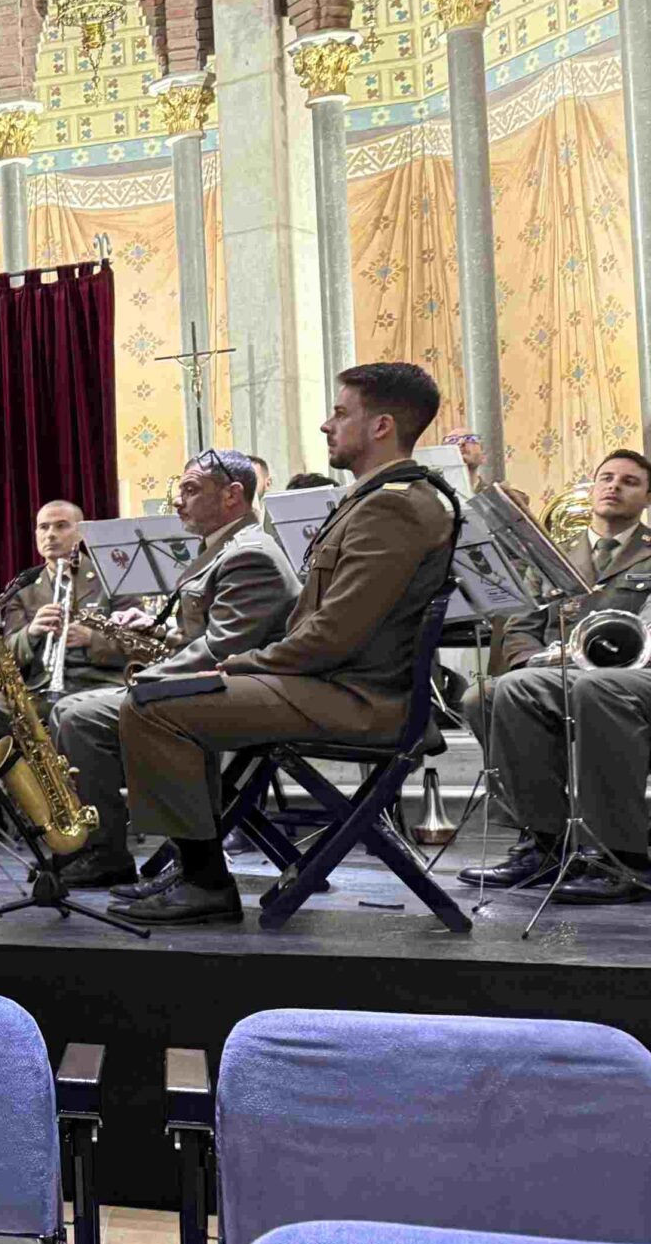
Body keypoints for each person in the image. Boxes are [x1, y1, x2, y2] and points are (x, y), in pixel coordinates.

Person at [113, 363, 458, 925]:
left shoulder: (393, 506)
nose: (326, 424)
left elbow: (332, 636)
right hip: (333, 684)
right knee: (163, 697)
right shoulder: (379, 499)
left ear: (382, 426)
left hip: (360, 698)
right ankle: (192, 869)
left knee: (154, 707)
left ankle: (204, 882)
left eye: (341, 413)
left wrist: (240, 664)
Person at [50, 449, 296, 888]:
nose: (178, 501)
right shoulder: (224, 548)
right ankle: (103, 849)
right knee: (70, 710)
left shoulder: (249, 554)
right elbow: (207, 635)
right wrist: (158, 631)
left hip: (240, 694)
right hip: (216, 684)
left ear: (232, 496)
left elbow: (221, 649)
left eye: (190, 489)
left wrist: (144, 679)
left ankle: (180, 868)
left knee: (87, 717)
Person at [459, 448, 651, 900]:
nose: (614, 486)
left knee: (598, 687)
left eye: (630, 481)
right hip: (559, 671)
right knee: (488, 694)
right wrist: (535, 662)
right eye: (606, 477)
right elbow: (519, 628)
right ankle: (543, 842)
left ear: (647, 498)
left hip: (629, 675)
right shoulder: (554, 557)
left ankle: (619, 857)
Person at [0, 501, 129, 740]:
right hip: (42, 690)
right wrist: (31, 633)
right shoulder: (23, 588)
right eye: (43, 527)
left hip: (100, 684)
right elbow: (7, 655)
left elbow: (139, 646)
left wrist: (91, 639)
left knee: (71, 713)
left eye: (61, 526)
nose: (50, 534)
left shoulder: (111, 577)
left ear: (80, 533)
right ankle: (38, 764)